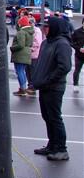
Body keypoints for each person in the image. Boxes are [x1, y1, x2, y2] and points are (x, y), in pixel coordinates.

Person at [30, 16, 72, 161]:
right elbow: (41, 63)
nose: (44, 29)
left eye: (46, 27)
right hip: (44, 86)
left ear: (54, 28)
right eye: (43, 26)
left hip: (54, 88)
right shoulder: (46, 42)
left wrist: (49, 80)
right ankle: (52, 145)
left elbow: (64, 67)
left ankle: (61, 149)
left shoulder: (62, 44)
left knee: (55, 118)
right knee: (47, 117)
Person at [10, 16, 34, 97]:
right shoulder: (30, 32)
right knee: (22, 71)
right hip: (27, 53)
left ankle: (22, 89)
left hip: (20, 54)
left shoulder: (21, 32)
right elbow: (30, 44)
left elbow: (20, 45)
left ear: (21, 24)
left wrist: (12, 48)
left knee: (19, 71)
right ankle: (23, 88)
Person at [26, 16, 43, 95]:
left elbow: (38, 43)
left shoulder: (37, 31)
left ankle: (33, 86)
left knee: (33, 71)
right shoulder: (28, 30)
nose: (29, 24)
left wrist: (30, 48)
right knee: (27, 71)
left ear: (33, 23)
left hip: (34, 54)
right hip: (27, 54)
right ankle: (29, 84)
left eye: (30, 23)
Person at [71, 22, 83, 94]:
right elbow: (71, 42)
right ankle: (75, 85)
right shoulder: (77, 32)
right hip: (79, 55)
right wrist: (78, 48)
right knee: (77, 70)